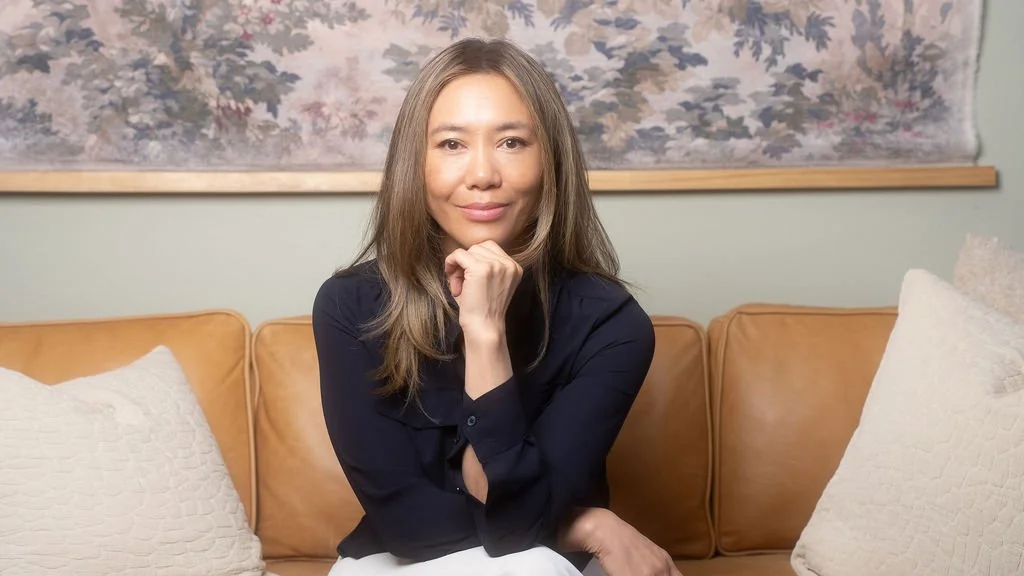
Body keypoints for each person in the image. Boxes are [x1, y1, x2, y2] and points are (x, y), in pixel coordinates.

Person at [311, 37, 682, 576]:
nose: (482, 174)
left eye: (511, 142)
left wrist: (484, 331)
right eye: (451, 144)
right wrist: (590, 524)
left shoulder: (611, 322)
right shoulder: (350, 305)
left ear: (549, 160)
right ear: (416, 165)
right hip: (397, 562)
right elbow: (409, 528)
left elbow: (517, 532)